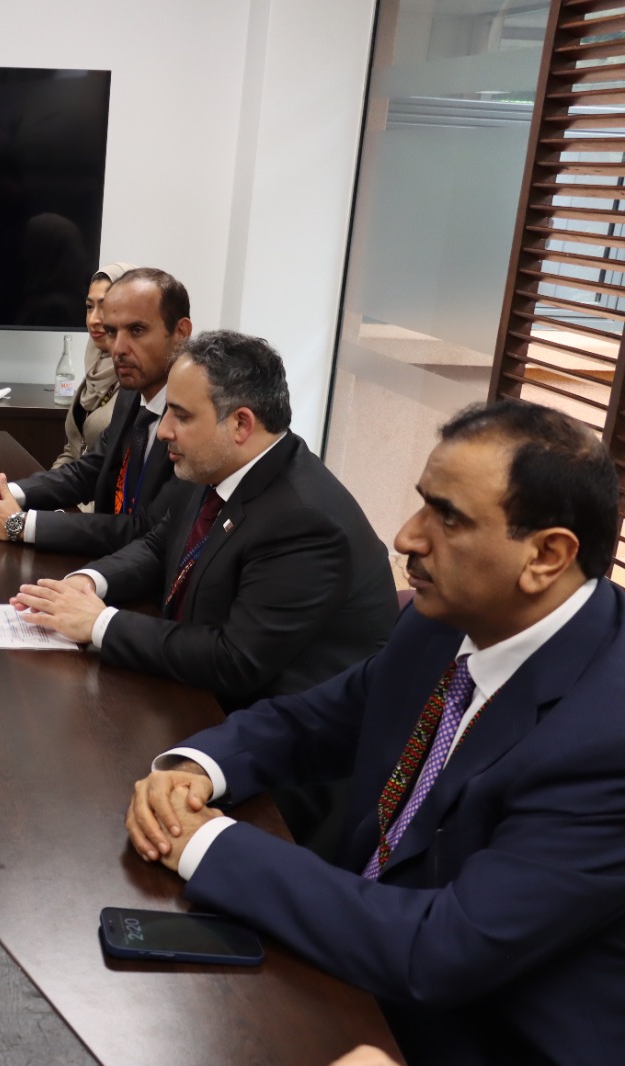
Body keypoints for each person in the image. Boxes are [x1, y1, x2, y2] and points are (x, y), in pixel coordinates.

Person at [124, 400, 625, 1066]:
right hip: (352, 966)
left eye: (448, 517)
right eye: (423, 505)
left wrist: (205, 842)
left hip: (468, 1035)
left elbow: (443, 949)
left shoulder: (607, 737)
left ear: (547, 556)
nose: (407, 537)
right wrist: (193, 769)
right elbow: (311, 722)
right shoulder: (437, 624)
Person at [12, 329, 395, 712]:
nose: (164, 431)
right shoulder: (213, 464)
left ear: (241, 424)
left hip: (274, 724)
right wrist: (88, 583)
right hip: (195, 689)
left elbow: (235, 660)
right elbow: (158, 545)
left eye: (181, 416)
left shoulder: (305, 521)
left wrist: (100, 623)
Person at [0, 267, 192, 557]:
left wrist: (19, 524)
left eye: (136, 330)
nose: (118, 348)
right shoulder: (132, 393)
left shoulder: (196, 417)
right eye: (112, 332)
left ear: (181, 333)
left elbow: (145, 529)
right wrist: (8, 493)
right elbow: (89, 471)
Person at [50, 261, 137, 470]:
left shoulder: (138, 378)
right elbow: (72, 450)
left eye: (105, 307)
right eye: (90, 307)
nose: (93, 320)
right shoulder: (95, 365)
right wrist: (35, 489)